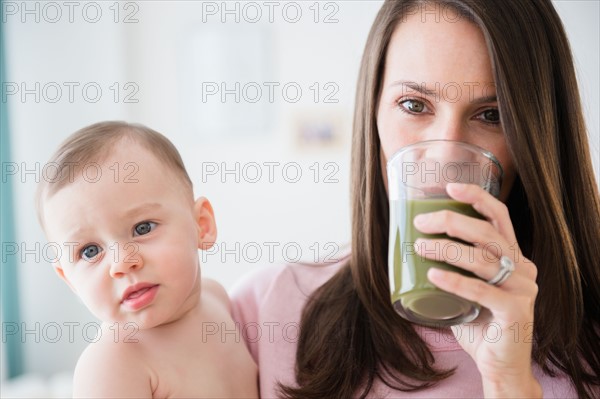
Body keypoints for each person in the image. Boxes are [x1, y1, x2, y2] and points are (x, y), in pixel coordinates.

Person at [230, 0, 600, 398]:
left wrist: (508, 383)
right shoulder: (264, 311)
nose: (444, 158)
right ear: (373, 112)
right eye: (414, 105)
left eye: (491, 115)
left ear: (541, 132)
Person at [36, 122, 258, 398]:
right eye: (90, 251)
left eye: (143, 228)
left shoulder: (217, 299)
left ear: (202, 225)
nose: (122, 263)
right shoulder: (112, 364)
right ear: (70, 280)